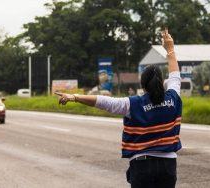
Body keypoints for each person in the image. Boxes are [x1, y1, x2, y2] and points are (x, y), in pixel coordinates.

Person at [55, 29, 182, 188]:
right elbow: (175, 75)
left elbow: (105, 102)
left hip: (142, 167)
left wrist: (75, 97)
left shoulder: (133, 103)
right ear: (162, 82)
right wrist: (170, 48)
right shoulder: (173, 98)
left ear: (142, 85)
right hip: (168, 166)